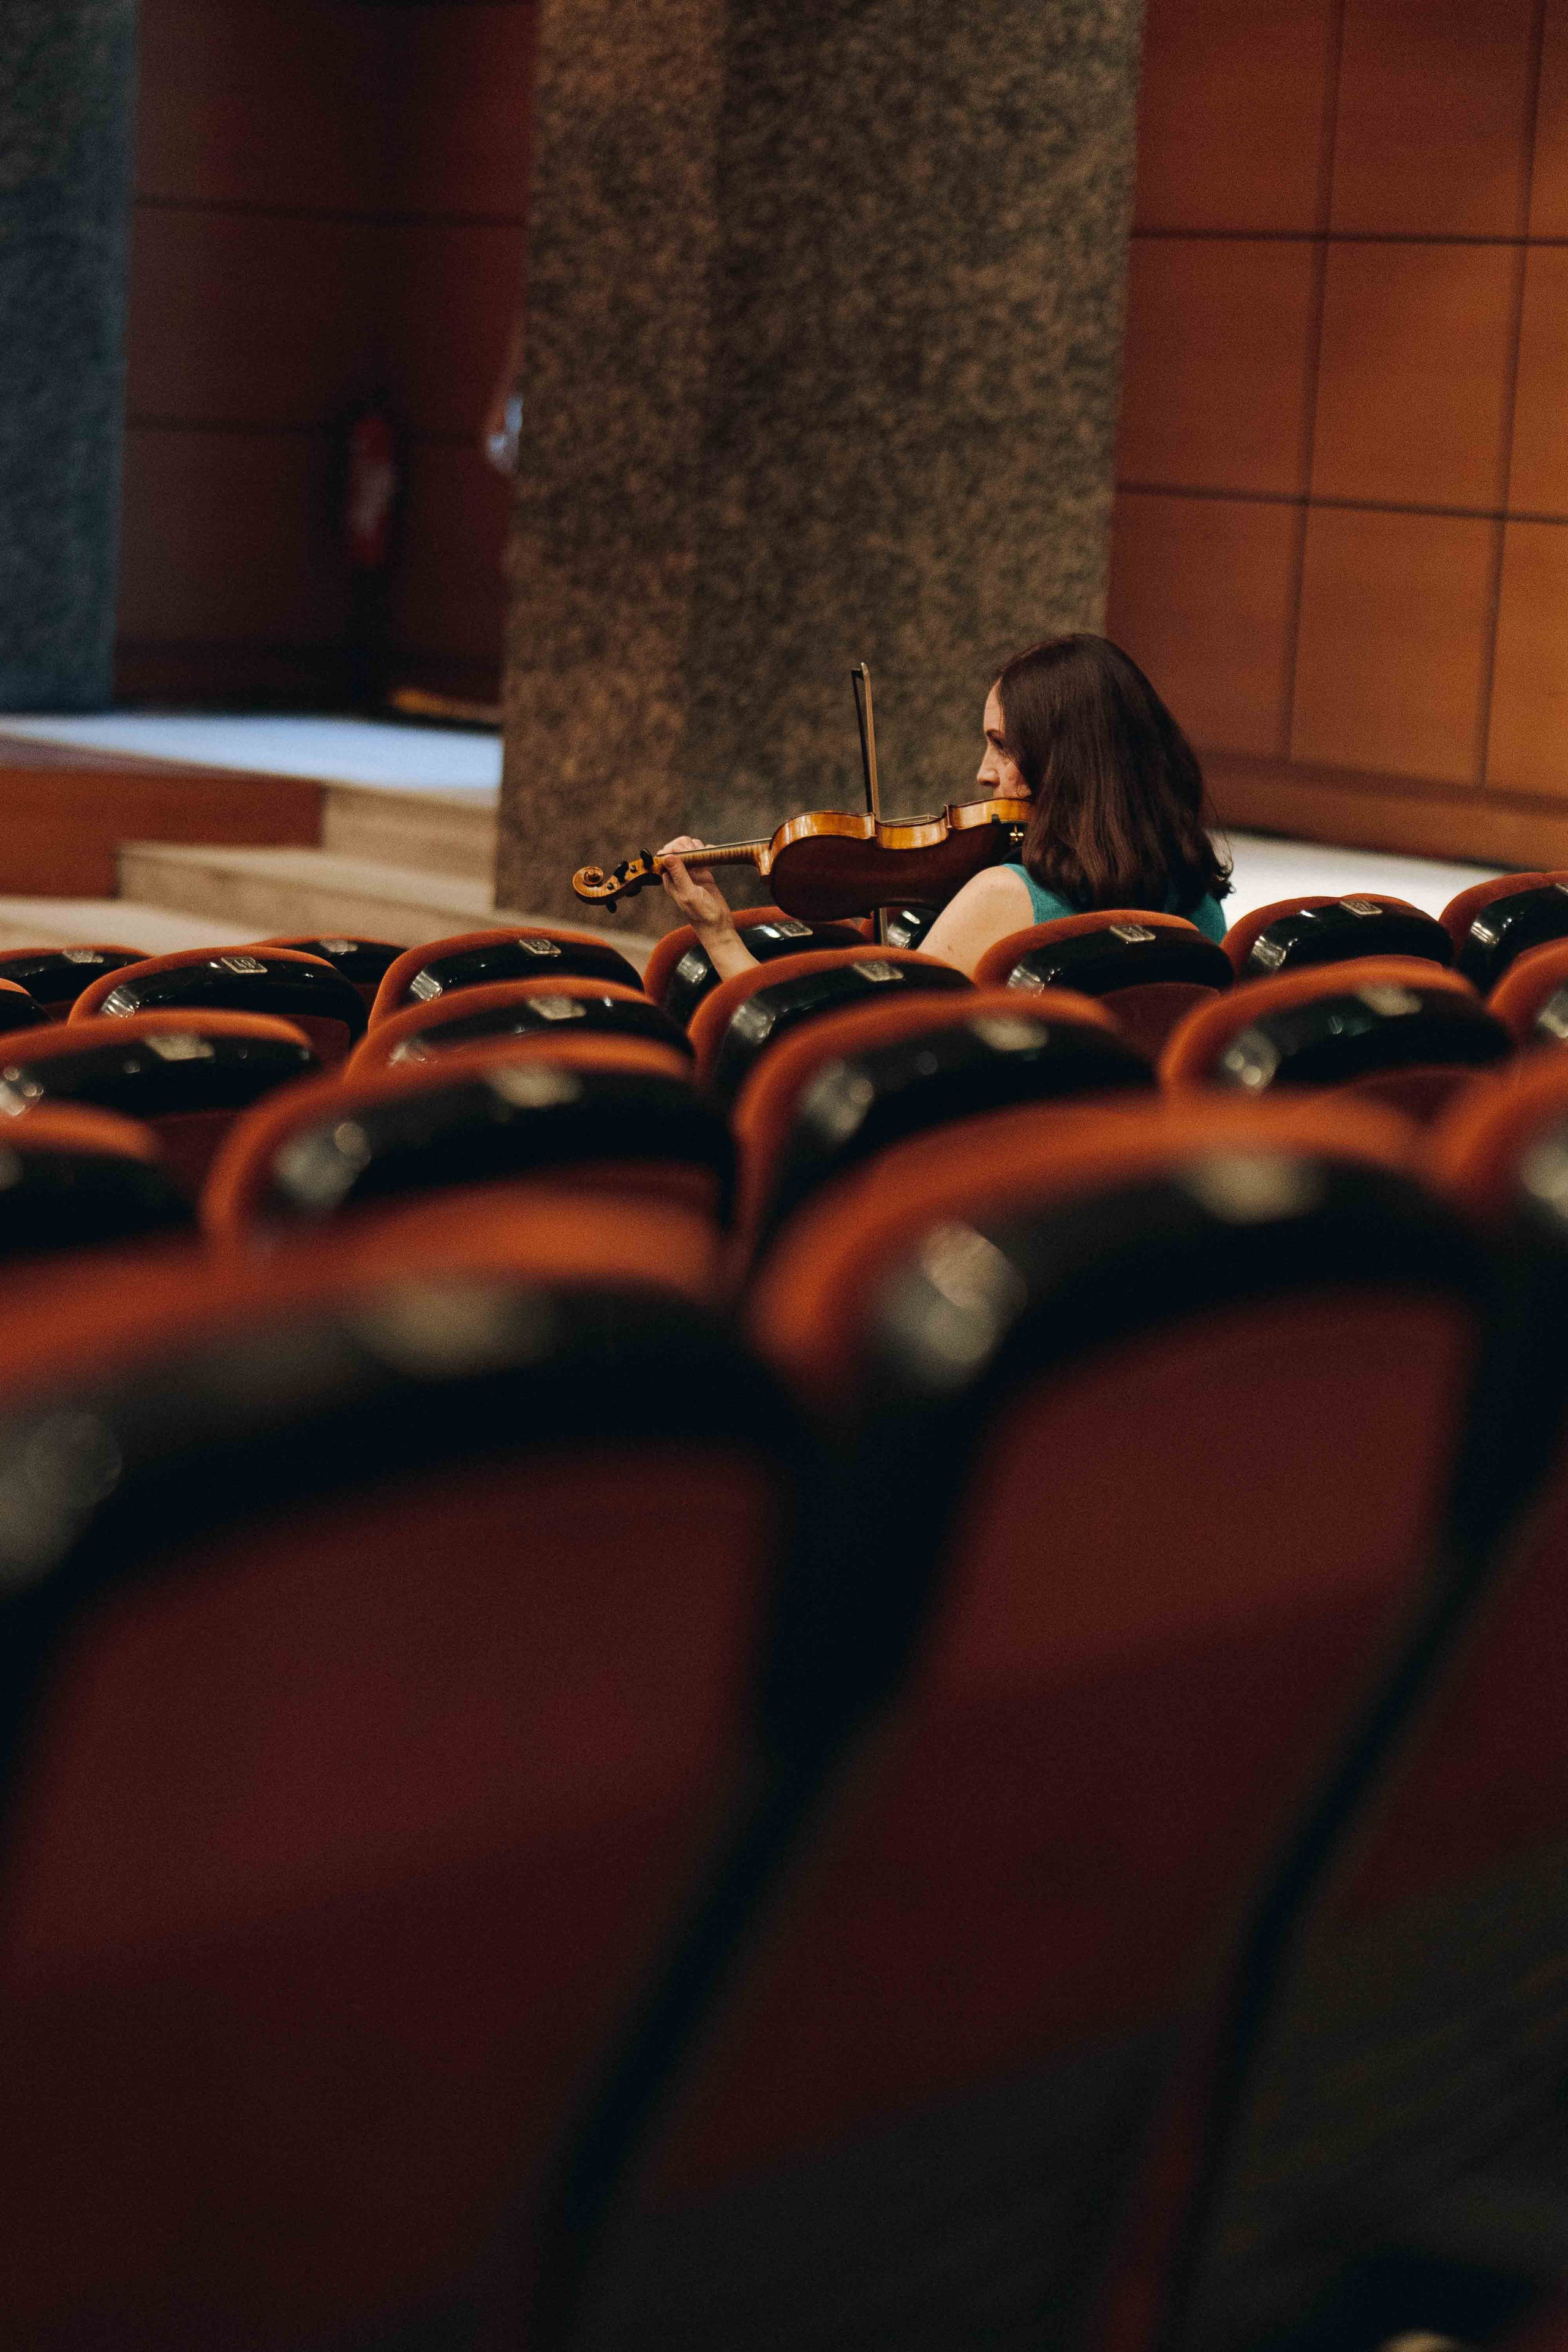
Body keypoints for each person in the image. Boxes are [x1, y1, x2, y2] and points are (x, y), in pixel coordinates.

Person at [658, 633, 1232, 981]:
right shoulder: (1202, 908)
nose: (983, 773)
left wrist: (718, 933)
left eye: (1003, 747)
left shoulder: (1005, 898)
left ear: (1070, 764)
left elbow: (842, 1060)